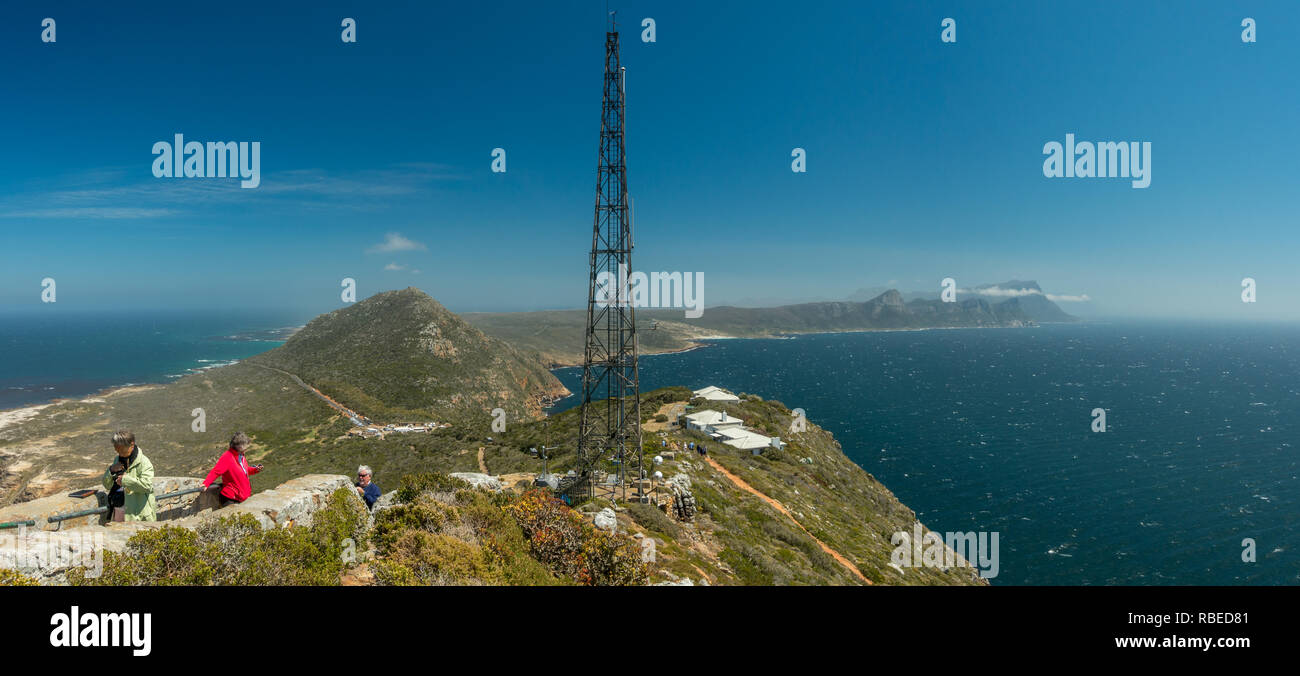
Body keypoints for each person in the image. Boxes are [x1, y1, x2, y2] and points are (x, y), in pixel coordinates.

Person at [100, 430, 157, 522]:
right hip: (119, 509)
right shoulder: (117, 459)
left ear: (132, 445)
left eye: (121, 449)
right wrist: (110, 470)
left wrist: (125, 480)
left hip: (139, 514)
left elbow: (147, 486)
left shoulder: (144, 462)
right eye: (116, 449)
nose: (119, 452)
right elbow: (107, 485)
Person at [200, 432, 263, 506]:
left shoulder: (241, 456)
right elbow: (216, 471)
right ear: (239, 446)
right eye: (246, 445)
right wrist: (206, 483)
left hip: (241, 497)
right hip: (231, 499)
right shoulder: (227, 457)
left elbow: (243, 471)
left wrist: (255, 469)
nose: (247, 448)